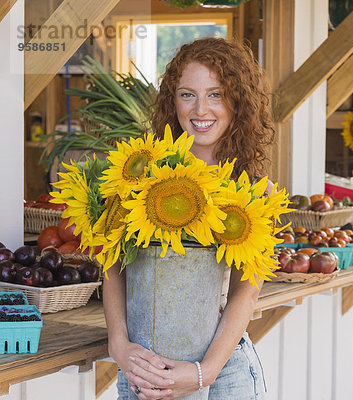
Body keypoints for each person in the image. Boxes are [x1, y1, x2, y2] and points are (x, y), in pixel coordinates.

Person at [104, 37, 276, 399]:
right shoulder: (141, 176)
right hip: (146, 369)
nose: (200, 109)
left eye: (216, 94)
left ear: (238, 102)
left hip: (223, 368)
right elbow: (113, 265)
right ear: (172, 100)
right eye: (187, 94)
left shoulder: (254, 191)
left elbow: (247, 290)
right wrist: (119, 346)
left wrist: (205, 373)